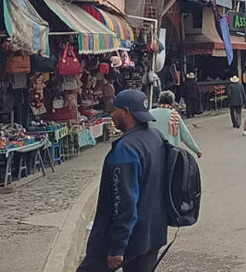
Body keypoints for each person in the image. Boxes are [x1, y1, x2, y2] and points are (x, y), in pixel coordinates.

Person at [78, 89, 167, 272]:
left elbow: (124, 201)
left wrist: (117, 247)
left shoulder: (126, 149)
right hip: (152, 234)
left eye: (114, 110)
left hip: (126, 240)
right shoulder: (156, 138)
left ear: (126, 112)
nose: (112, 115)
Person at [149, 91, 202, 157]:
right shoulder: (174, 115)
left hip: (152, 151)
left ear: (159, 100)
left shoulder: (150, 114)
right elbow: (185, 135)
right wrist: (196, 150)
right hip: (171, 153)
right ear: (172, 102)